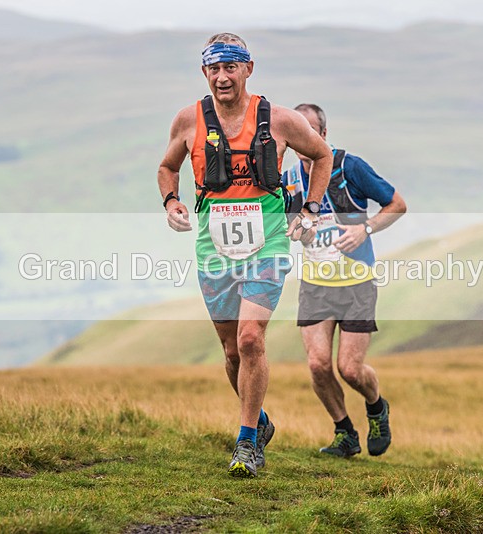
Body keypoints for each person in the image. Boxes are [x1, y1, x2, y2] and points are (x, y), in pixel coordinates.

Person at [157, 34, 332, 478]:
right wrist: (171, 202)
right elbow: (167, 168)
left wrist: (310, 208)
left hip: (268, 242)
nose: (222, 77)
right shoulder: (188, 120)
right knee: (232, 351)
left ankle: (247, 443)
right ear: (204, 74)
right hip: (213, 247)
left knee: (251, 338)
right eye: (214, 69)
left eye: (230, 67)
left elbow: (322, 154)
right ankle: (260, 420)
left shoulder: (281, 120)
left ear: (248, 69)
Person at [282, 103, 406, 458]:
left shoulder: (350, 166)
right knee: (318, 365)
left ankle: (376, 406)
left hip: (357, 281)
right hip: (316, 284)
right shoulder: (291, 178)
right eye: (296, 134)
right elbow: (294, 227)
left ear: (322, 135)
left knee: (349, 369)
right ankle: (345, 432)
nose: (303, 140)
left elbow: (397, 204)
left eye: (310, 132)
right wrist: (299, 232)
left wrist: (364, 228)